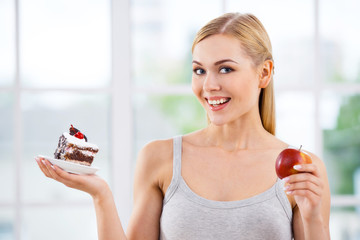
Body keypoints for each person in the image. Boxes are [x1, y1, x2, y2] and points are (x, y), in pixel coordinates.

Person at [36, 12, 330, 240]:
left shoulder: (301, 170)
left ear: (264, 73)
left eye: (225, 69)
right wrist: (100, 195)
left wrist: (314, 217)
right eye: (199, 70)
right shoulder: (160, 158)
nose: (209, 85)